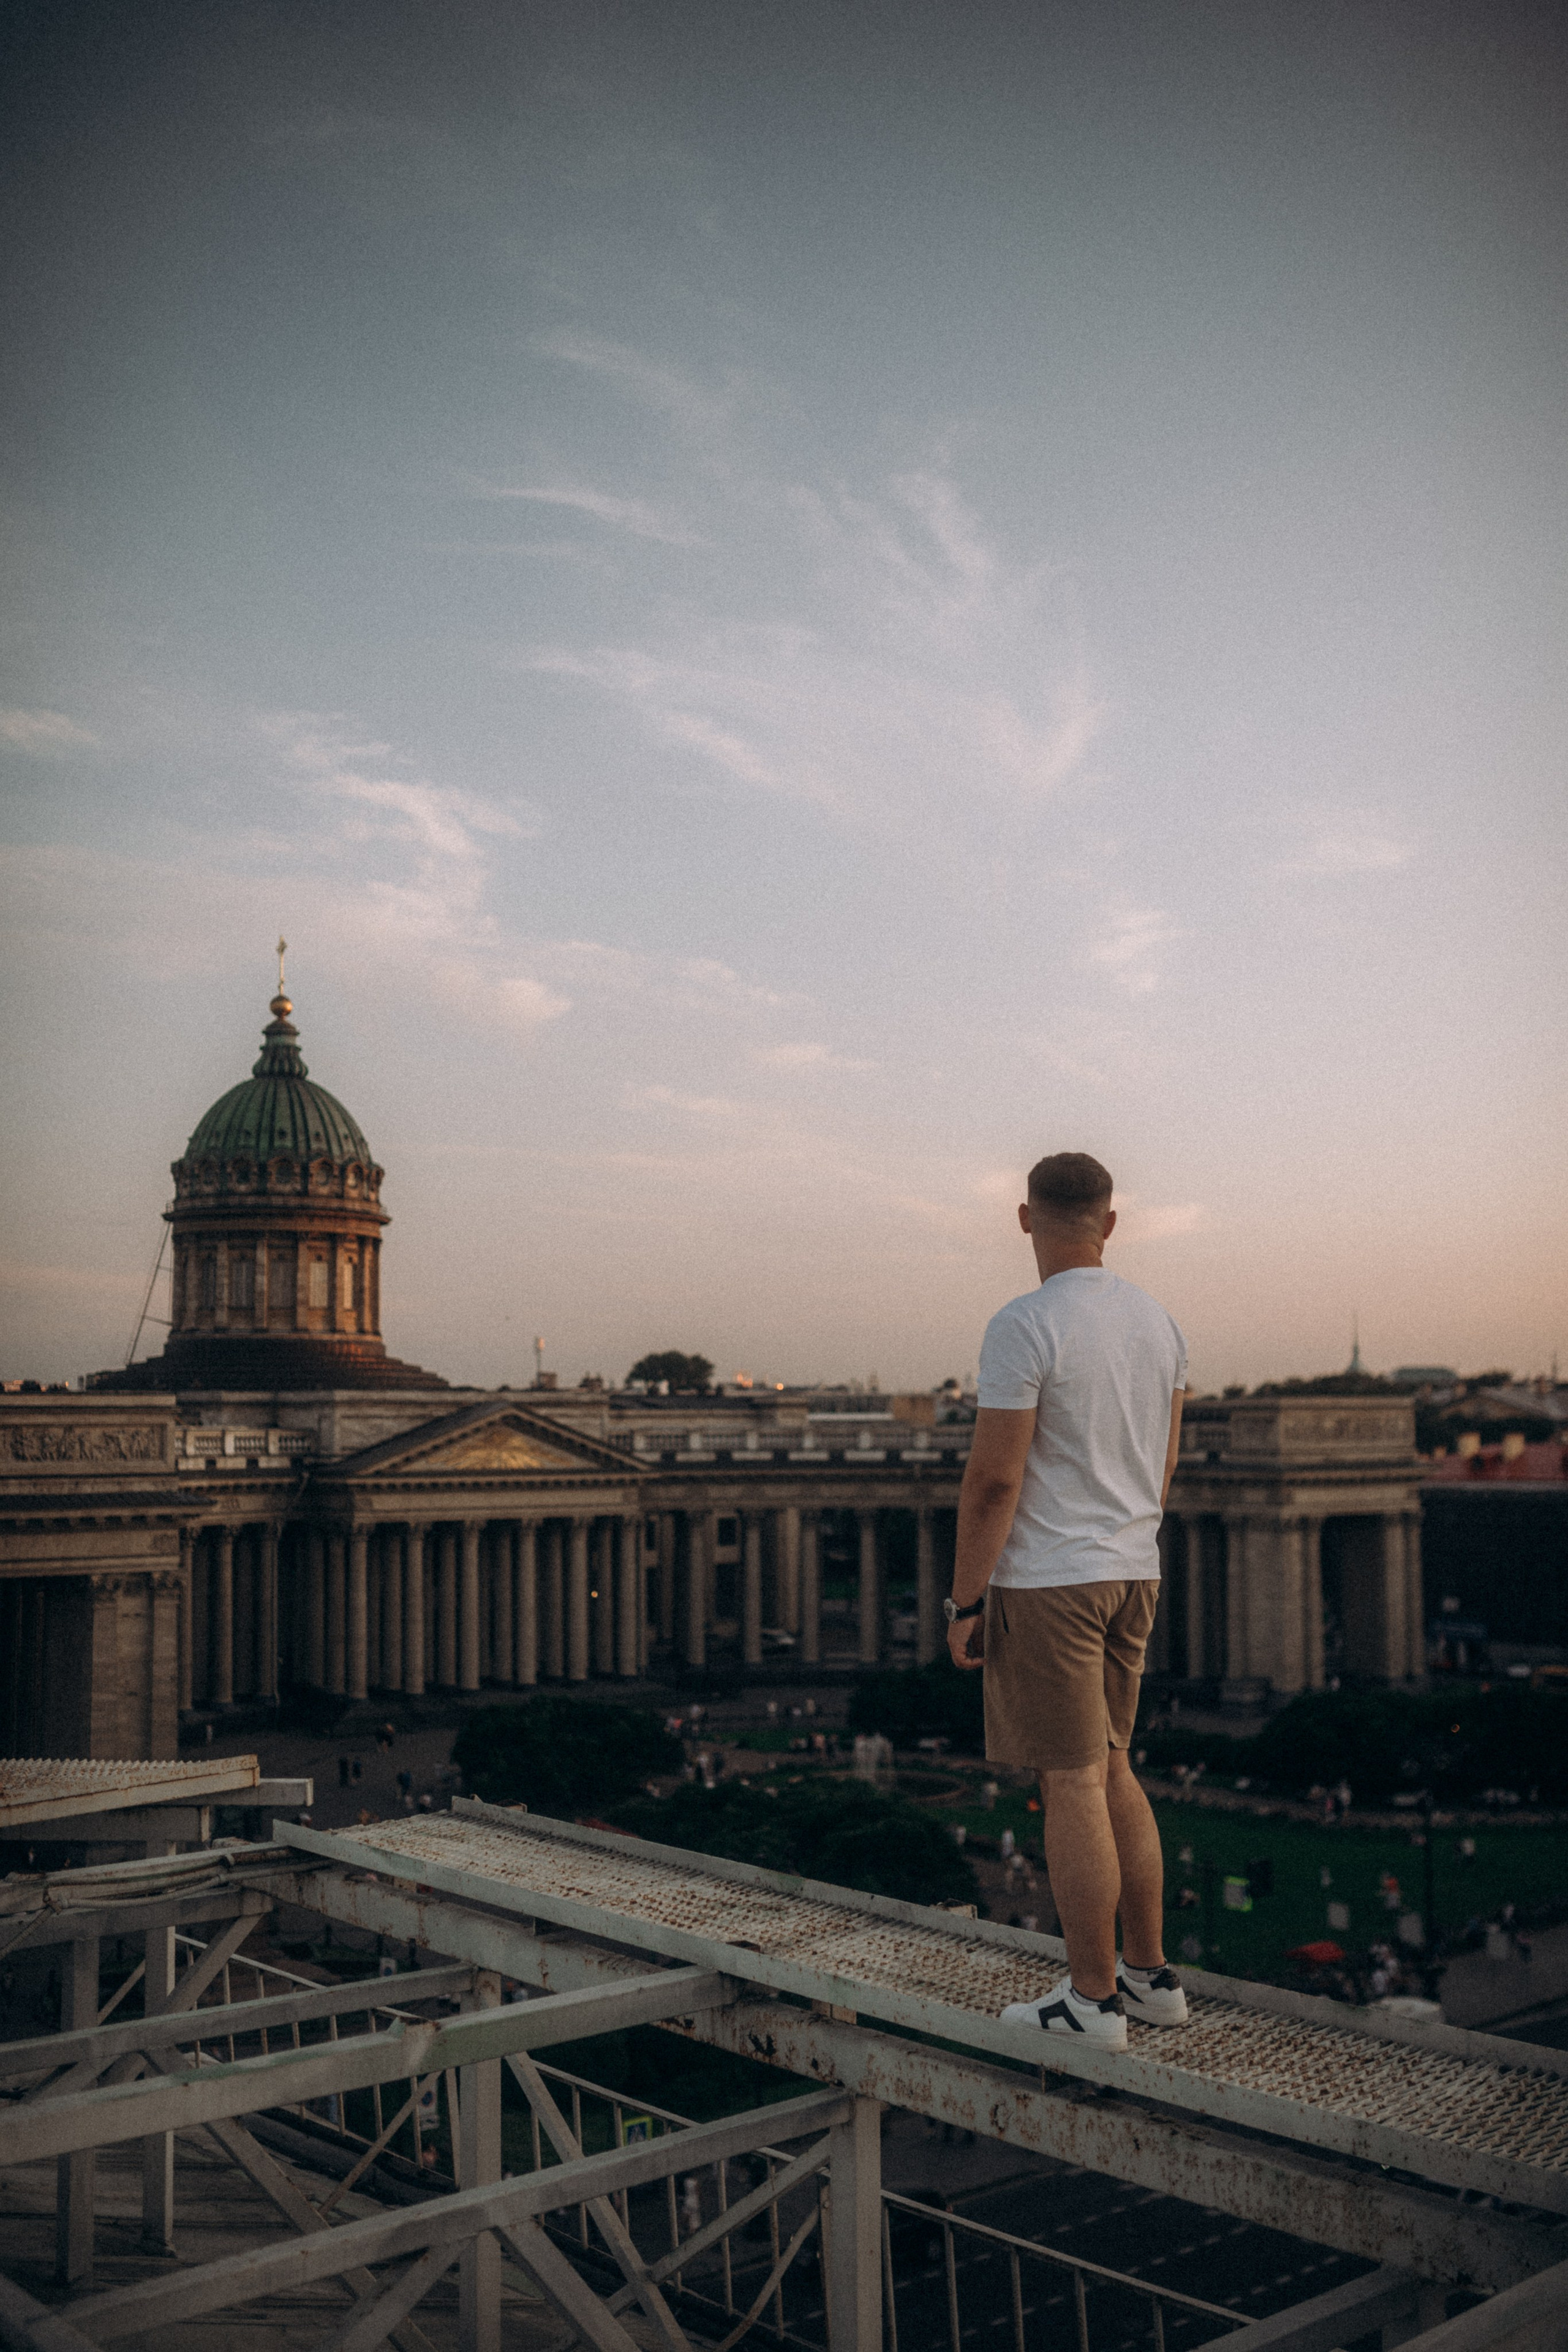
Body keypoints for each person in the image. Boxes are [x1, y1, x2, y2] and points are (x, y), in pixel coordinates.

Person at [945, 1152, 1188, 2052]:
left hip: (1053, 1578)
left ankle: (1091, 2001)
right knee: (1117, 1767)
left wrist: (965, 1601)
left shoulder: (1024, 1324)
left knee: (1073, 1781)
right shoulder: (1159, 1324)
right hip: (1134, 1569)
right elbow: (1164, 1463)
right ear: (1110, 1223)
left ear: (1025, 1218)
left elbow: (993, 1481)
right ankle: (1150, 1978)